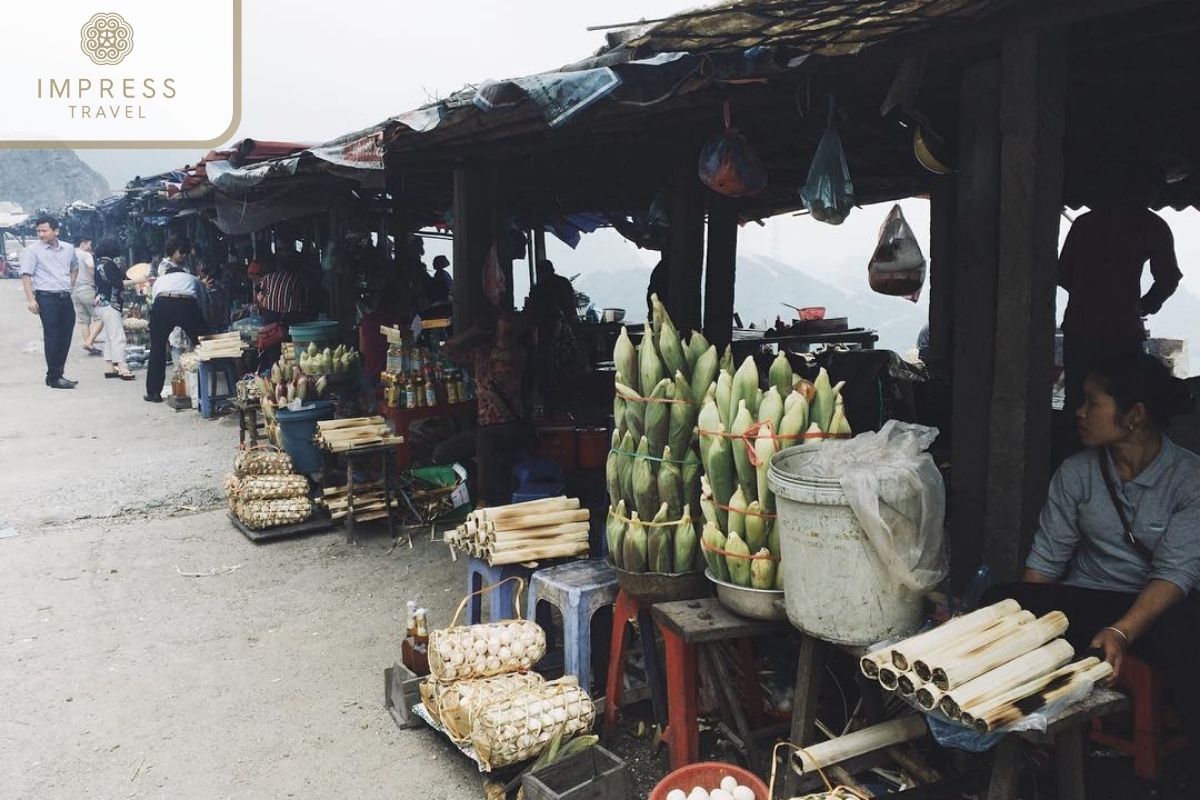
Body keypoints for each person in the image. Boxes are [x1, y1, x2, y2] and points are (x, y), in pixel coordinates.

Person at [984, 352, 1199, 767]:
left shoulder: (1189, 479)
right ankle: (1025, 741)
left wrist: (1120, 633)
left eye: (1092, 402)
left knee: (1191, 635)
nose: (1079, 413)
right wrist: (1022, 625)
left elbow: (1174, 574)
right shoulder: (1076, 473)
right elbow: (1044, 564)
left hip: (1153, 609)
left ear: (1134, 415)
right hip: (1088, 600)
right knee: (998, 600)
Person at [1058, 163, 1183, 418]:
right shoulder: (1152, 225)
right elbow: (1168, 277)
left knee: (1078, 401)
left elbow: (1063, 275)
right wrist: (1145, 304)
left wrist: (1090, 293)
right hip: (1122, 329)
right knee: (1123, 402)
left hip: (1080, 326)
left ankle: (1073, 453)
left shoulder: (1085, 223)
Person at [432, 312, 533, 505]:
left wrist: (504, 330)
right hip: (485, 428)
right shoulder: (481, 353)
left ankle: (484, 498)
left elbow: (502, 360)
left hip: (511, 426)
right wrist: (470, 333)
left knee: (484, 438)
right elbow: (446, 351)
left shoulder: (518, 353)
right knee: (442, 452)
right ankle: (475, 482)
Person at [20, 216, 80, 389]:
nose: (40, 234)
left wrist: (70, 285)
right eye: (38, 231)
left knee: (66, 335)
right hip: (46, 298)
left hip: (65, 297)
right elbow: (26, 275)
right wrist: (31, 299)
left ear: (56, 231)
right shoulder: (32, 251)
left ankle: (58, 373)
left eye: (44, 230)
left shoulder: (68, 248)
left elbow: (74, 267)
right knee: (52, 336)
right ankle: (54, 377)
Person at [145, 248, 209, 403]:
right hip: (186, 304)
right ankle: (211, 383)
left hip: (162, 304)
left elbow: (154, 301)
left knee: (157, 348)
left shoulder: (159, 280)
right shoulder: (191, 278)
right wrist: (204, 327)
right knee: (203, 343)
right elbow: (201, 303)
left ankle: (154, 393)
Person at [92, 236, 134, 381]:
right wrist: (139, 280)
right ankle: (122, 367)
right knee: (118, 336)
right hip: (112, 303)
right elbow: (118, 283)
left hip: (101, 303)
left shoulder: (99, 264)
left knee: (110, 336)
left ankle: (109, 366)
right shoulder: (109, 265)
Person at [73, 236, 103, 356]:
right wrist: (98, 282)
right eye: (89, 244)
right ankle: (89, 341)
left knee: (84, 320)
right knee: (101, 317)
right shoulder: (86, 254)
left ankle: (89, 344)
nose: (90, 247)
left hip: (74, 291)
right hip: (87, 289)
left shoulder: (71, 253)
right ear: (84, 243)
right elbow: (91, 267)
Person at [528, 260, 577, 325]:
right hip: (568, 321)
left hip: (548, 324)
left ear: (540, 273)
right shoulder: (564, 282)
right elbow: (571, 304)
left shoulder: (540, 288)